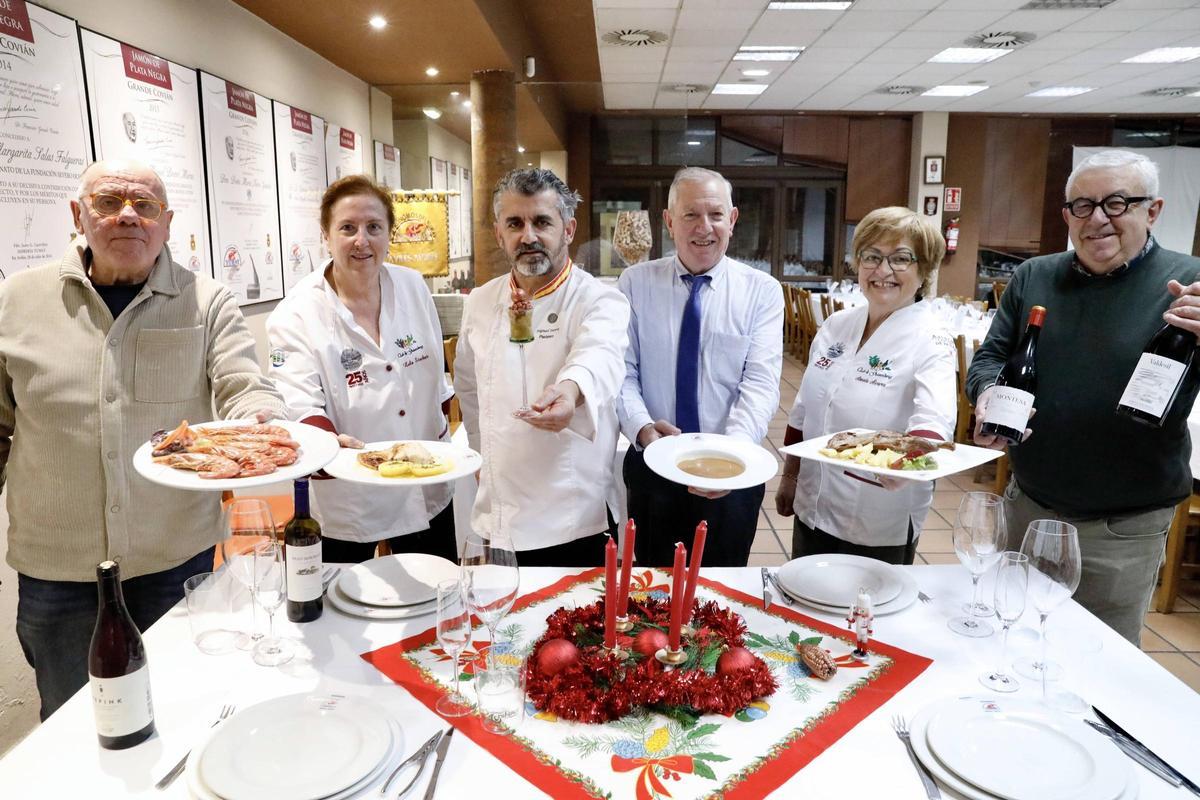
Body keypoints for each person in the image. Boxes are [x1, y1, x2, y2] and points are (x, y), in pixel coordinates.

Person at [0, 160, 284, 719]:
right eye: (108, 202)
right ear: (78, 215)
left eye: (145, 205)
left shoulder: (207, 302)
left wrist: (261, 424)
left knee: (191, 706)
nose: (127, 215)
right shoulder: (15, 302)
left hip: (176, 559)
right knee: (74, 719)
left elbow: (243, 386)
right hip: (58, 573)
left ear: (167, 222)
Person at [967, 149, 1200, 645]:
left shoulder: (1191, 286)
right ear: (1066, 215)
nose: (1098, 219)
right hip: (1028, 504)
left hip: (1121, 525)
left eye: (1117, 203)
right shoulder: (1034, 277)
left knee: (1100, 661)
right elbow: (990, 357)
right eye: (1082, 206)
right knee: (1007, 638)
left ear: (1152, 210)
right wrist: (987, 393)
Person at [266, 175, 456, 563]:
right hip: (349, 491)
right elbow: (299, 402)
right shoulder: (296, 313)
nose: (361, 240)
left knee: (435, 600)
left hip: (425, 478)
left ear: (390, 232)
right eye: (347, 228)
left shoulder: (413, 286)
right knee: (341, 608)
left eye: (374, 227)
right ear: (326, 234)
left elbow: (436, 375)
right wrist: (322, 441)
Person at [455, 168, 629, 567]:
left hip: (572, 519)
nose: (528, 236)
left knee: (574, 628)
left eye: (542, 222)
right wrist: (482, 456)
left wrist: (569, 391)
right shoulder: (480, 301)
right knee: (504, 624)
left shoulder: (598, 299)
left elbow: (599, 354)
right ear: (499, 234)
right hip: (497, 513)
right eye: (515, 223)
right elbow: (470, 389)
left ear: (568, 230)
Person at [618, 167, 783, 568]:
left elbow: (760, 384)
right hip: (653, 465)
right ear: (669, 221)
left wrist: (727, 458)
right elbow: (621, 372)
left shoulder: (761, 291)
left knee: (721, 596)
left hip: (734, 474)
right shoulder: (635, 283)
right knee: (653, 593)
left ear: (733, 219)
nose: (704, 228)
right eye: (690, 215)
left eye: (715, 214)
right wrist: (642, 428)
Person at [775, 207, 956, 565]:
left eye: (901, 258)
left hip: (875, 521)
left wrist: (911, 462)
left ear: (924, 271)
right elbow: (804, 408)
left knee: (866, 619)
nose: (883, 270)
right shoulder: (837, 325)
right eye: (872, 256)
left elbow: (934, 420)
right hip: (812, 505)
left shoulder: (932, 339)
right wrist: (790, 476)